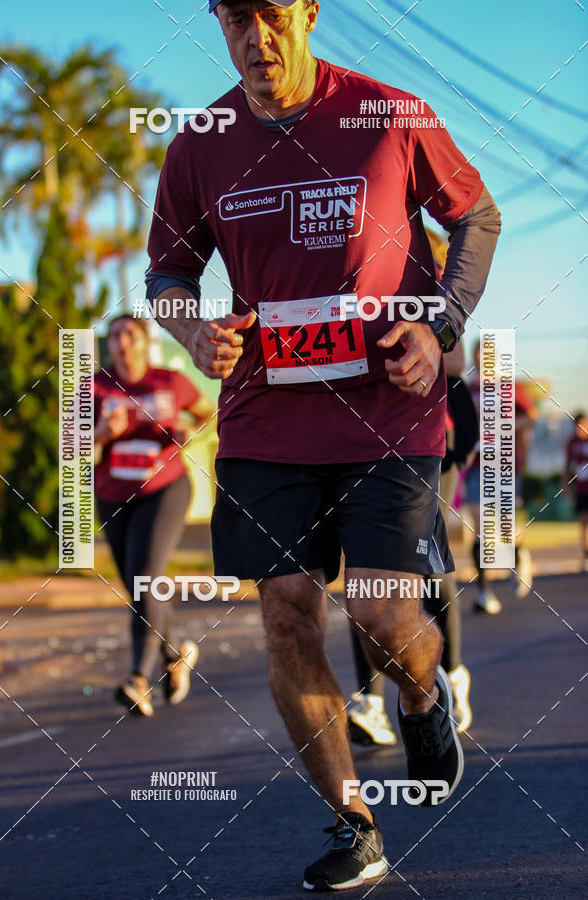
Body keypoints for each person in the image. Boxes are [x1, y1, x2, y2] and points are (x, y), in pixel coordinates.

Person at [147, 0, 501, 890]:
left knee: (382, 613)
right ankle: (355, 823)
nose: (255, 38)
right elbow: (168, 274)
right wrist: (192, 334)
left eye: (272, 13)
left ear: (308, 13)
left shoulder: (390, 114)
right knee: (287, 612)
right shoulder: (200, 142)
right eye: (235, 19)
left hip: (392, 407)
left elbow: (477, 216)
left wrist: (439, 322)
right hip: (267, 419)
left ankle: (423, 697)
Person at [348, 342, 477, 742]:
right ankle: (371, 704)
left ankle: (452, 675)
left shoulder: (430, 287)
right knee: (365, 575)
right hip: (363, 444)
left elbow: (455, 362)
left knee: (428, 568)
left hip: (429, 443)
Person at [94, 315, 214, 717]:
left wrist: (188, 431)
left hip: (164, 489)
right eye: (114, 335)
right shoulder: (94, 385)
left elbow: (207, 412)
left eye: (129, 334)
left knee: (145, 578)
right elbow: (70, 446)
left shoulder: (170, 381)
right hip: (113, 494)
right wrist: (101, 434)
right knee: (137, 585)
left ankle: (139, 678)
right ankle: (176, 651)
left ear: (146, 342)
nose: (121, 341)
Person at [465, 341, 535, 613]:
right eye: (478, 357)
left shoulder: (511, 387)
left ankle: (517, 556)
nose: (482, 362)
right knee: (480, 530)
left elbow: (531, 417)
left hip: (504, 464)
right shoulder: (469, 390)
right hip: (475, 466)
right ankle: (484, 592)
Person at [563, 412, 588, 571]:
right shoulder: (571, 442)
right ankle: (585, 557)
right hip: (581, 489)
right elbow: (566, 468)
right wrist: (566, 488)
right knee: (584, 524)